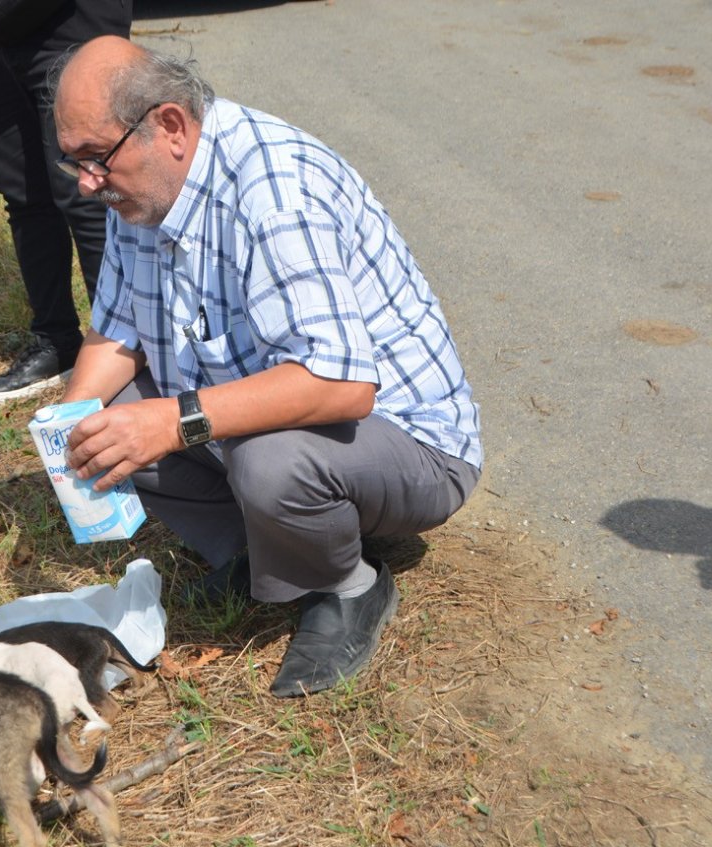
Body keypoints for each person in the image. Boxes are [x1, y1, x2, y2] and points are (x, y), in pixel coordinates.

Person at [51, 36, 483, 697]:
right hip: (283, 419)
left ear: (170, 127)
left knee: (268, 461)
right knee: (107, 419)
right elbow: (117, 326)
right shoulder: (138, 188)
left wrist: (170, 422)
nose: (87, 182)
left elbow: (340, 385)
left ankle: (348, 586)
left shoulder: (276, 192)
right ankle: (265, 548)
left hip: (411, 444)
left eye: (96, 158)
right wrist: (68, 425)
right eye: (74, 162)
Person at [0, 0, 132, 404]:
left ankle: (124, 345)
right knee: (21, 190)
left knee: (89, 187)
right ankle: (56, 341)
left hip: (68, 20)